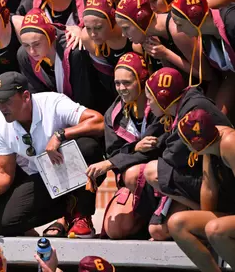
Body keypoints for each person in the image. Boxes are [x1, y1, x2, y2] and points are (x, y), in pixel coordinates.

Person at [0, 72, 105, 237]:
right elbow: (4, 173)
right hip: (41, 178)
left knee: (88, 147)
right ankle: (68, 209)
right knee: (7, 223)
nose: (2, 107)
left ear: (25, 96)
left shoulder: (53, 102)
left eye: (7, 100)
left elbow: (99, 121)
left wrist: (60, 135)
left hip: (68, 166)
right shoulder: (1, 126)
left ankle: (82, 214)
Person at [142, 67, 232, 240]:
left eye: (149, 99)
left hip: (224, 186)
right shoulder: (182, 106)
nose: (147, 105)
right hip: (211, 177)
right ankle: (205, 217)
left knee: (152, 171)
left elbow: (173, 155)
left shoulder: (193, 112)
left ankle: (213, 216)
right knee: (160, 229)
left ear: (162, 98)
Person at [87, 52, 164, 239]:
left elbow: (156, 147)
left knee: (132, 174)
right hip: (133, 183)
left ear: (142, 80)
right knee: (115, 229)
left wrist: (113, 162)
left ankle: (160, 216)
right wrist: (134, 149)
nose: (121, 89)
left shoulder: (159, 106)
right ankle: (145, 220)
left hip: (162, 178)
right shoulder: (113, 115)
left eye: (127, 83)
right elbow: (114, 152)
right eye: (117, 83)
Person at [167, 109, 235, 272]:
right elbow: (209, 187)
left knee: (216, 230)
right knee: (177, 223)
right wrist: (203, 225)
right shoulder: (210, 139)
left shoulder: (230, 143)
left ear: (196, 143)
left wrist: (215, 227)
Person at [115, 0, 213, 88]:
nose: (123, 34)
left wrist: (166, 54)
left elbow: (207, 75)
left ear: (141, 20)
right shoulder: (147, 40)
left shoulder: (177, 29)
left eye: (126, 28)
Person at [17, 8, 105, 114]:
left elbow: (85, 99)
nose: (32, 51)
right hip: (52, 113)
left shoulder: (73, 52)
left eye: (37, 44)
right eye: (26, 45)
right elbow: (37, 97)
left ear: (50, 37)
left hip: (86, 111)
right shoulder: (24, 55)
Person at [170, 0, 235, 119]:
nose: (179, 30)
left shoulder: (231, 22)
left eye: (180, 24)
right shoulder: (205, 36)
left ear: (195, 18)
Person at [17, 0, 91, 51]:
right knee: (23, 52)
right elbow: (17, 20)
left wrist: (83, 32)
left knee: (78, 47)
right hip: (45, 54)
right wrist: (67, 29)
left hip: (77, 55)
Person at [80, 0, 132, 100]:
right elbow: (106, 76)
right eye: (88, 28)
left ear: (112, 21)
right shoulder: (87, 38)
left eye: (98, 28)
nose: (93, 34)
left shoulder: (131, 36)